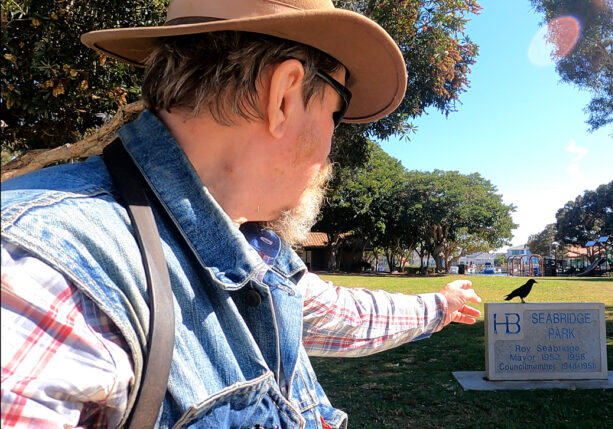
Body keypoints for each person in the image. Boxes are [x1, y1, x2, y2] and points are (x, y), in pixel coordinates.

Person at [0, 0, 482, 427]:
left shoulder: (243, 247)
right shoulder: (41, 273)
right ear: (284, 96)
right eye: (337, 112)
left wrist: (440, 305)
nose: (333, 143)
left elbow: (339, 315)